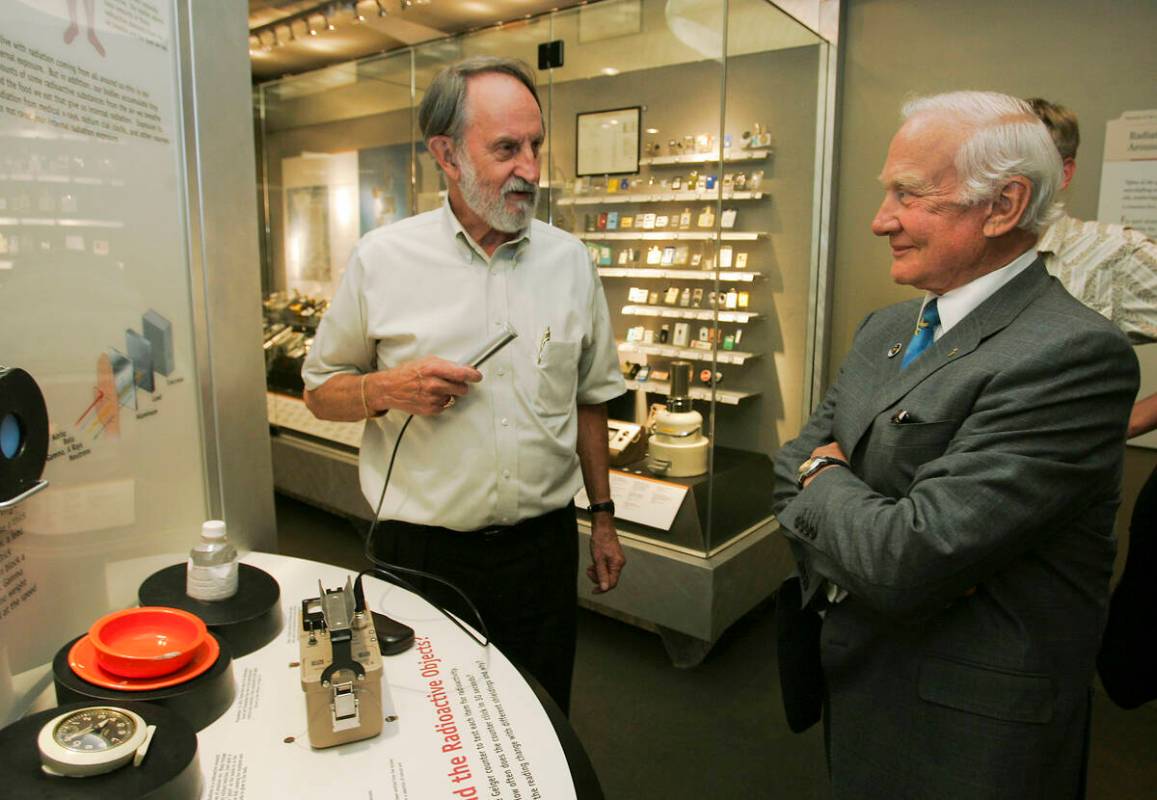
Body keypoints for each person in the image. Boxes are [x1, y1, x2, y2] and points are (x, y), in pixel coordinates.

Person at [771, 91, 1139, 799]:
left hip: (969, 728)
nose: (880, 220)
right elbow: (792, 459)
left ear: (1002, 206)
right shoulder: (885, 327)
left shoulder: (1072, 354)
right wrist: (836, 485)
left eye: (907, 194)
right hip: (859, 677)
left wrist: (825, 481)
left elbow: (905, 558)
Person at [301, 56, 627, 711]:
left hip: (541, 551)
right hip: (422, 555)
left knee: (540, 715)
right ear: (446, 155)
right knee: (430, 721)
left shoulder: (569, 262)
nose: (530, 169)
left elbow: (591, 397)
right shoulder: (383, 259)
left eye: (536, 146)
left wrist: (603, 517)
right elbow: (318, 389)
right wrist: (386, 389)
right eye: (506, 148)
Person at [1029, 97, 1157, 709]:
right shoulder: (969, 248)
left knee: (1046, 684)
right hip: (962, 499)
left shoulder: (1110, 254)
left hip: (1061, 517)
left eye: (1031, 157)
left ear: (1067, 170)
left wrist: (1130, 420)